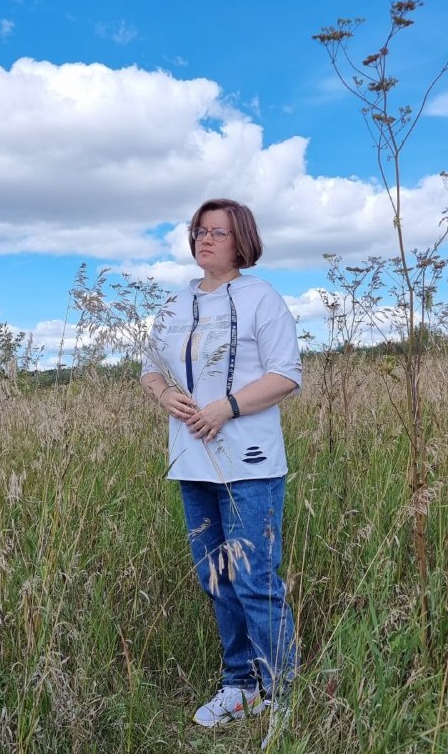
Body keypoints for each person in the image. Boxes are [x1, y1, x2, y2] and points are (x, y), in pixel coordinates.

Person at [140, 198, 301, 748]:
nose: (205, 240)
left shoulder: (262, 298)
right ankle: (240, 685)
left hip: (250, 461)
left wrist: (226, 408)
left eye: (218, 232)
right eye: (199, 231)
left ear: (242, 242)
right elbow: (150, 369)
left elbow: (286, 374)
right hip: (191, 461)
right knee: (215, 577)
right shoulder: (174, 303)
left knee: (254, 578)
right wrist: (165, 396)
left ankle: (283, 693)